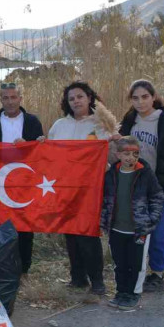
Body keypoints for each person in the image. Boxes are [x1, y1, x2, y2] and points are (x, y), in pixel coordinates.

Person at [48, 81, 119, 295]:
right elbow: (49, 155)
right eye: (71, 98)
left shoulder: (101, 124)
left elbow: (115, 156)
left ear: (89, 98)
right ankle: (77, 278)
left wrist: (115, 141)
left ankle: (97, 281)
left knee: (88, 233)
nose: (76, 101)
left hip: (92, 187)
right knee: (70, 232)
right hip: (66, 187)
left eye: (80, 96)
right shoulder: (59, 126)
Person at [119, 80, 164, 293]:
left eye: (144, 97)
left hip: (160, 187)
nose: (140, 102)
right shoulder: (130, 120)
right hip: (135, 185)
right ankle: (135, 269)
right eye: (135, 98)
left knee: (158, 231)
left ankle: (157, 274)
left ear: (153, 97)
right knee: (135, 230)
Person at [0, 81, 45, 274]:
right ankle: (2, 267)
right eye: (5, 98)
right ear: (0, 99)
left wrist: (30, 144)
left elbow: (40, 153)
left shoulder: (32, 121)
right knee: (0, 225)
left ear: (20, 98)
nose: (9, 102)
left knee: (24, 226)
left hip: (25, 181)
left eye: (13, 97)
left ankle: (24, 268)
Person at [101, 136, 164, 311]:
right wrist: (103, 220)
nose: (131, 157)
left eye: (135, 154)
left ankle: (133, 294)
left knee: (136, 263)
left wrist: (152, 219)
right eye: (126, 153)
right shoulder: (111, 175)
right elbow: (104, 200)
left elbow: (157, 196)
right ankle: (121, 292)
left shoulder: (145, 173)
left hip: (138, 229)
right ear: (117, 154)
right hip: (116, 228)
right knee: (119, 263)